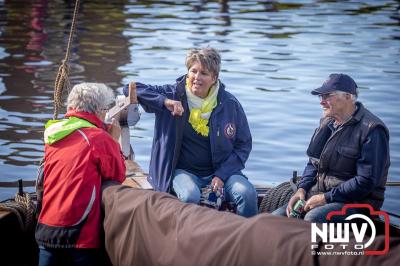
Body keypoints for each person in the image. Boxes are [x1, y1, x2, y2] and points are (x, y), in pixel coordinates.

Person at [124, 47, 257, 217]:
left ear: (214, 78)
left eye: (204, 73)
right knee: (189, 196)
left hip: (222, 173)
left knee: (247, 194)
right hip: (182, 172)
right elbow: (129, 89)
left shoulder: (230, 104)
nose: (197, 77)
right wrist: (164, 102)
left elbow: (243, 145)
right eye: (193, 71)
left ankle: (245, 241)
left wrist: (222, 175)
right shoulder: (172, 94)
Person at [272, 73, 390, 223]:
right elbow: (312, 163)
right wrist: (302, 189)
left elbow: (366, 181)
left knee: (312, 218)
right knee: (274, 220)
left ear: (348, 96)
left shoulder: (372, 130)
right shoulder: (326, 123)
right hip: (319, 196)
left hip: (357, 205)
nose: (322, 102)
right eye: (320, 97)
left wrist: (326, 198)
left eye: (327, 96)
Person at [35, 83, 126, 265]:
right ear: (100, 111)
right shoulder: (98, 139)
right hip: (79, 233)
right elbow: (118, 174)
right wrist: (113, 140)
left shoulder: (55, 133)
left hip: (46, 227)